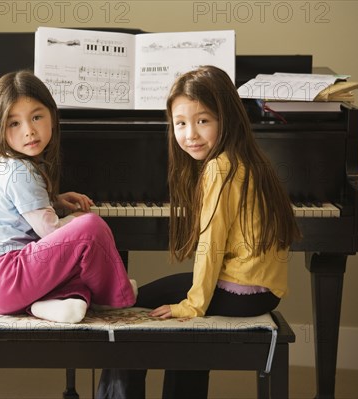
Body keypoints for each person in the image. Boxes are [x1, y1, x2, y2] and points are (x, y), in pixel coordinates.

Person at [97, 65, 301, 398]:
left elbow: (211, 245)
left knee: (129, 306)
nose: (190, 134)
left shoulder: (220, 169)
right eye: (180, 123)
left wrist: (193, 305)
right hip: (262, 288)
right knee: (160, 304)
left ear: (227, 119)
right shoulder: (245, 159)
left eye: (203, 121)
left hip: (241, 291)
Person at [0, 70, 136, 324]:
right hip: (7, 275)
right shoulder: (20, 170)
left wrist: (54, 200)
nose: (29, 131)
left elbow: (23, 209)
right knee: (91, 228)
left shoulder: (8, 164)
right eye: (14, 123)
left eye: (36, 117)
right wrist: (77, 220)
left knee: (73, 264)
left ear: (52, 117)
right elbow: (49, 230)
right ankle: (115, 296)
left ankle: (48, 305)